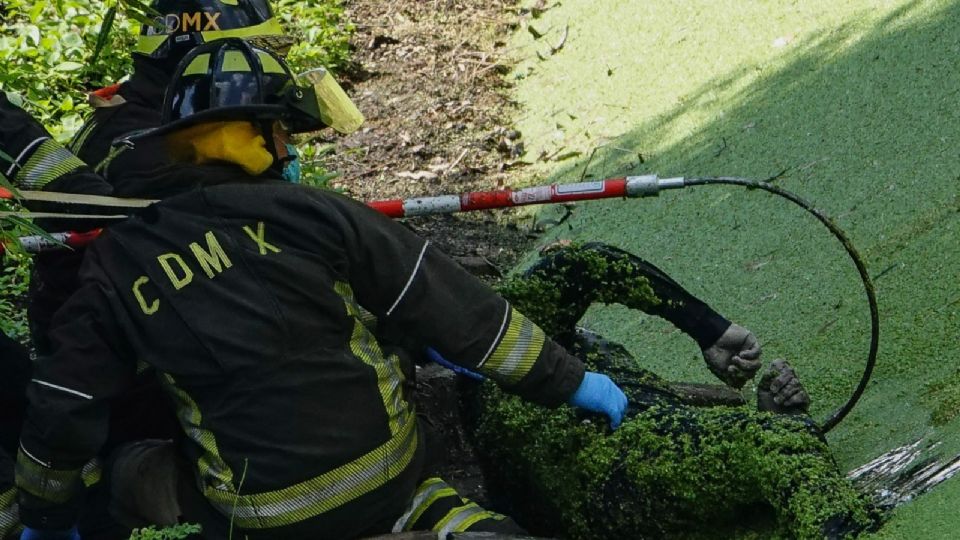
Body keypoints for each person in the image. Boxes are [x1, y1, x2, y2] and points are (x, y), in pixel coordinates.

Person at [13, 38, 628, 540]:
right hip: (392, 473)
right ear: (254, 137)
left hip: (262, 517)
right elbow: (456, 307)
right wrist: (571, 381)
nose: (291, 147)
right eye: (283, 131)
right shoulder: (316, 212)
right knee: (411, 477)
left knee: (128, 467)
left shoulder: (117, 260)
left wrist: (47, 516)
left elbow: (65, 399)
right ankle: (447, 518)